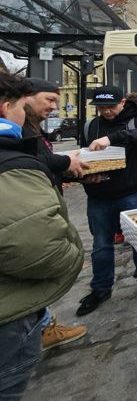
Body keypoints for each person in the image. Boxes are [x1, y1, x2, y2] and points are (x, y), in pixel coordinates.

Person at [0, 73, 83, 399]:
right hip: (11, 311)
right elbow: (40, 249)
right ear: (9, 107)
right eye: (48, 99)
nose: (53, 106)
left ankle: (47, 324)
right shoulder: (12, 156)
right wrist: (73, 251)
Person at [76, 85, 137, 316]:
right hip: (99, 195)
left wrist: (113, 138)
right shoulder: (91, 125)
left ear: (122, 102)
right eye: (101, 108)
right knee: (101, 245)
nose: (106, 112)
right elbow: (82, 155)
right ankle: (101, 288)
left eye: (110, 107)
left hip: (133, 191)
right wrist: (85, 175)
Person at [22, 78, 88, 192]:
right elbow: (24, 162)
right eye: (50, 100)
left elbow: (42, 168)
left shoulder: (34, 126)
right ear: (27, 97)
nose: (54, 107)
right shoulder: (16, 127)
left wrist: (75, 175)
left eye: (55, 102)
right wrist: (65, 161)